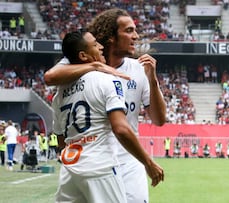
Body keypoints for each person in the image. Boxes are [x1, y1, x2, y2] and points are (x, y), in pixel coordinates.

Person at [44, 8, 167, 203]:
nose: (136, 36)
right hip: (101, 161)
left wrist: (152, 80)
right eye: (128, 31)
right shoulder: (79, 66)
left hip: (127, 160)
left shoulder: (138, 69)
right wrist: (96, 66)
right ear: (110, 37)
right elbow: (49, 77)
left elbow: (159, 120)